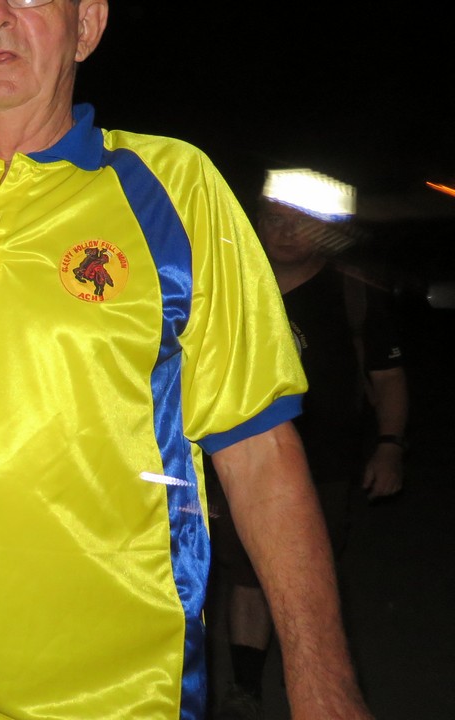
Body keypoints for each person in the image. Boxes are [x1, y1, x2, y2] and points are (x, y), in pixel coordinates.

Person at [0, 1, 372, 718]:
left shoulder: (175, 187)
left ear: (87, 27)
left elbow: (259, 451)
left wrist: (322, 685)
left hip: (119, 682)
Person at [211, 169, 407, 719]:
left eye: (300, 222)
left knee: (306, 575)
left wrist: (390, 445)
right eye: (275, 220)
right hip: (241, 460)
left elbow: (389, 378)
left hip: (326, 463)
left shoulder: (353, 295)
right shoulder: (230, 285)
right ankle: (245, 688)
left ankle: (317, 684)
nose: (286, 232)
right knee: (246, 573)